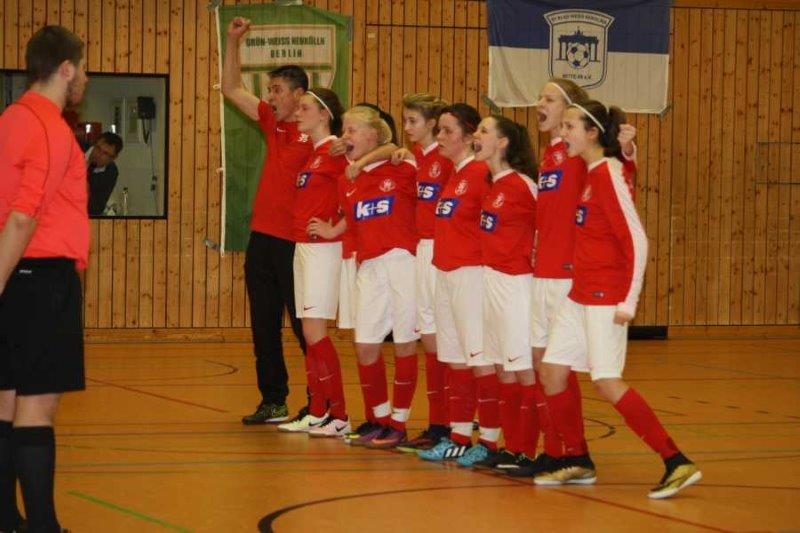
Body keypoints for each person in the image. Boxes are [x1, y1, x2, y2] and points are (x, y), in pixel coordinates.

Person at [535, 100, 701, 499]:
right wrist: (629, 152)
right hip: (579, 293)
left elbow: (637, 240)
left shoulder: (605, 173)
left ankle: (675, 460)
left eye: (570, 126)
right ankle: (577, 458)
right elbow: (625, 169)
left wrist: (629, 300)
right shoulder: (592, 170)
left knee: (606, 380)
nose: (562, 132)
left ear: (592, 133)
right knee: (553, 371)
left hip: (605, 294)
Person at [0, 25, 89, 533]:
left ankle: (5, 518)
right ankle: (43, 527)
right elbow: (22, 217)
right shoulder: (50, 128)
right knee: (36, 409)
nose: (86, 79)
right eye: (84, 69)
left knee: (6, 399)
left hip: (16, 275)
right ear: (66, 69)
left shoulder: (10, 118)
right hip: (41, 279)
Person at [222, 16, 312, 425]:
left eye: (277, 90)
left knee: (305, 327)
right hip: (262, 240)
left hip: (296, 243)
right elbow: (230, 88)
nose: (269, 96)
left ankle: (321, 402)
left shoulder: (318, 136)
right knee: (263, 327)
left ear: (298, 95)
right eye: (269, 89)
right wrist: (233, 42)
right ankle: (273, 400)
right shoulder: (271, 123)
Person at [416, 104, 501, 463]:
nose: (440, 137)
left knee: (480, 359)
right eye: (439, 130)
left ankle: (490, 442)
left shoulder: (481, 173)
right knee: (455, 360)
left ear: (468, 137)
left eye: (447, 131)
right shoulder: (454, 175)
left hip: (471, 274)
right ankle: (460, 436)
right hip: (446, 273)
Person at [336, 106, 420, 449]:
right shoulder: (347, 180)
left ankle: (399, 423)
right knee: (365, 345)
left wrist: (389, 151)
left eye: (352, 130)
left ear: (374, 135)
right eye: (344, 129)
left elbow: (400, 149)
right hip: (369, 266)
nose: (345, 136)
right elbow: (353, 225)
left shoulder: (401, 166)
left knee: (404, 343)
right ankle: (379, 418)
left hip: (403, 261)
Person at [458, 115, 538, 469]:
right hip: (491, 282)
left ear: (503, 142)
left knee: (523, 370)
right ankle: (511, 446)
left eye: (483, 131)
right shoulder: (493, 185)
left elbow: (548, 226)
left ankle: (527, 452)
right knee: (504, 370)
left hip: (516, 284)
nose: (476, 136)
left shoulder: (523, 184)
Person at [274, 88, 351, 437]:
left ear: (324, 115)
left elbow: (359, 195)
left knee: (316, 334)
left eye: (305, 108)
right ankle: (318, 410)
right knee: (308, 332)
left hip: (323, 250)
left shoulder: (337, 152)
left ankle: (340, 414)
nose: (297, 113)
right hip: (303, 247)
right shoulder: (314, 154)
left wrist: (335, 229)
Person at [392, 93, 453, 452]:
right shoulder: (416, 156)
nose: (407, 127)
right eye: (405, 120)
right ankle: (437, 423)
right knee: (429, 339)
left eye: (413, 121)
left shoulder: (445, 161)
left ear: (432, 124)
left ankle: (448, 423)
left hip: (440, 251)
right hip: (421, 250)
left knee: (441, 341)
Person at [86, 131, 123, 215]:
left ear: (113, 158)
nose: (98, 155)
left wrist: (86, 194)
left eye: (105, 153)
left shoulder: (110, 172)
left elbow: (96, 209)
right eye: (98, 148)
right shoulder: (76, 150)